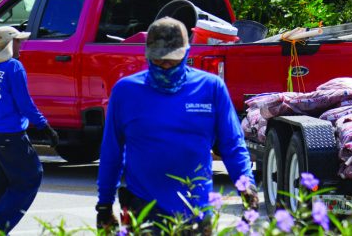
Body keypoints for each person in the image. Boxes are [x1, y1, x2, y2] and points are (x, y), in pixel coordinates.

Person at [96, 17, 257, 234]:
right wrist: (104, 204)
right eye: (158, 60)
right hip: (143, 209)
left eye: (172, 60)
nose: (165, 66)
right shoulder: (126, 92)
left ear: (186, 54)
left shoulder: (210, 88)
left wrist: (247, 189)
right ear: (147, 55)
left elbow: (232, 146)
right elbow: (112, 152)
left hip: (195, 208)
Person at [0, 26, 60, 235]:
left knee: (3, 182)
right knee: (31, 177)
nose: (21, 45)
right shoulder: (13, 67)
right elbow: (24, 103)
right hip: (11, 137)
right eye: (18, 41)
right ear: (9, 45)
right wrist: (44, 126)